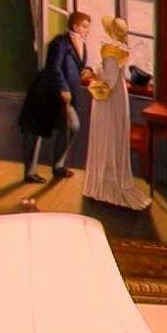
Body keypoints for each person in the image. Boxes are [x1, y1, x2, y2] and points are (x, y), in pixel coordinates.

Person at [80, 15, 149, 211]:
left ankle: (105, 186)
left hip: (109, 99)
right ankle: (106, 182)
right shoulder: (120, 48)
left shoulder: (110, 50)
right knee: (111, 137)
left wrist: (94, 74)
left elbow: (109, 81)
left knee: (106, 136)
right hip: (118, 95)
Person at [20, 11, 91, 183]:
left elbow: (77, 67)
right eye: (84, 26)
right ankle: (30, 172)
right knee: (34, 129)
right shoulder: (60, 42)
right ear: (75, 26)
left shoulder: (82, 45)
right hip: (46, 93)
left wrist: (86, 72)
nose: (87, 30)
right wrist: (63, 88)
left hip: (65, 98)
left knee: (72, 126)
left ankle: (58, 166)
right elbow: (54, 67)